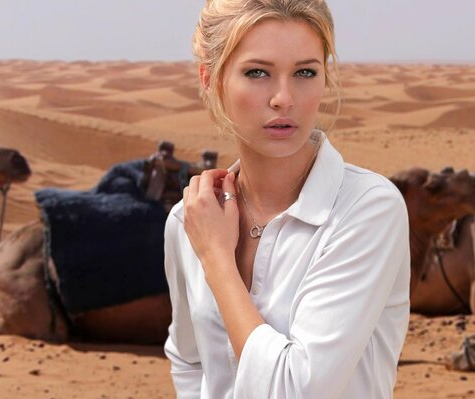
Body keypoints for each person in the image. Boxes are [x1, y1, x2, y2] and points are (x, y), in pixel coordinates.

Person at [164, 0, 410, 398]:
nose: (284, 98)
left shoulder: (367, 209)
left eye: (304, 72)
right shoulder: (188, 219)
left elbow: (296, 390)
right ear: (210, 80)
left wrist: (216, 261)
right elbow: (189, 360)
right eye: (257, 72)